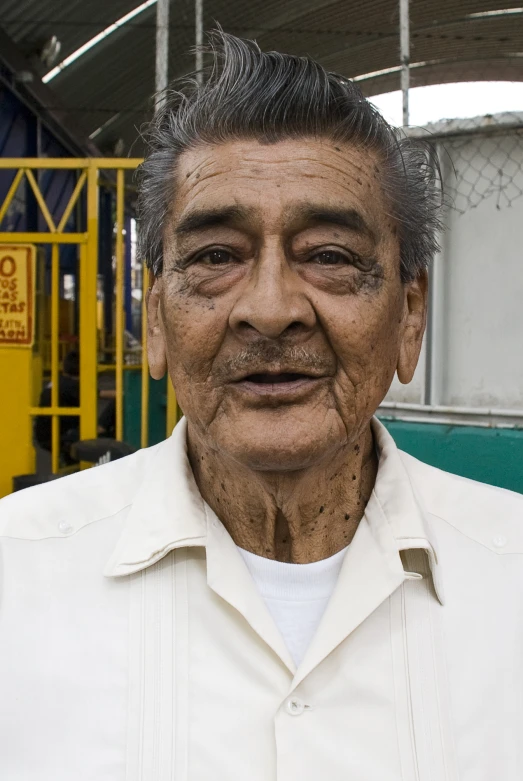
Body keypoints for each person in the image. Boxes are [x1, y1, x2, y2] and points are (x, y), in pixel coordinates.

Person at [1, 31, 522, 781]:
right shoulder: (16, 577)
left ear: (408, 318)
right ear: (155, 322)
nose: (272, 309)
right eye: (215, 256)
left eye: (329, 257)